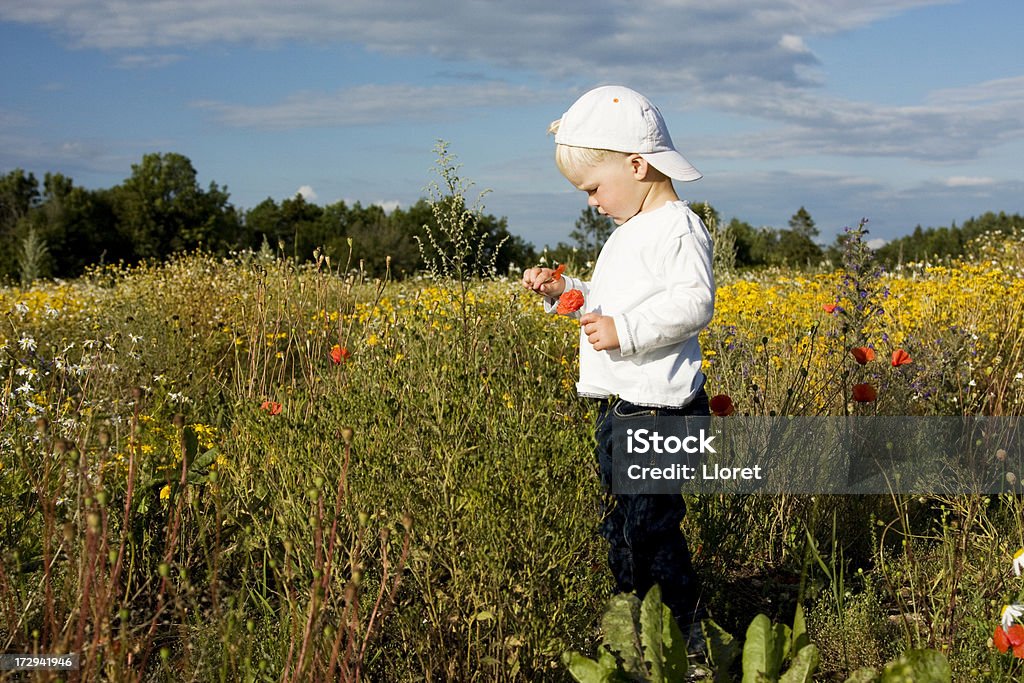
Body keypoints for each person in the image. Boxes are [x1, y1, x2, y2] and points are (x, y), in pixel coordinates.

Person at [521, 85, 715, 647]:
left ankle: (686, 638)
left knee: (651, 533)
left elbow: (693, 303)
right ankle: (640, 624)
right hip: (626, 411)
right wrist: (565, 292)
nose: (591, 202)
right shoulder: (629, 233)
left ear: (637, 165)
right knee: (628, 528)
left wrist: (624, 333)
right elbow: (609, 304)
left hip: (661, 414)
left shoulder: (677, 227)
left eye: (593, 188)